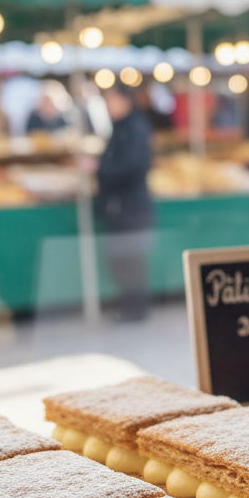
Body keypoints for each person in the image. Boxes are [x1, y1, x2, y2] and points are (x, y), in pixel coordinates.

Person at [94, 83, 154, 321]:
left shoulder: (133, 128)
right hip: (123, 206)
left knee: (130, 261)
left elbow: (133, 166)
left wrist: (100, 168)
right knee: (123, 261)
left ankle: (135, 309)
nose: (108, 106)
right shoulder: (123, 127)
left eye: (111, 100)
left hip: (130, 206)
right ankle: (130, 306)